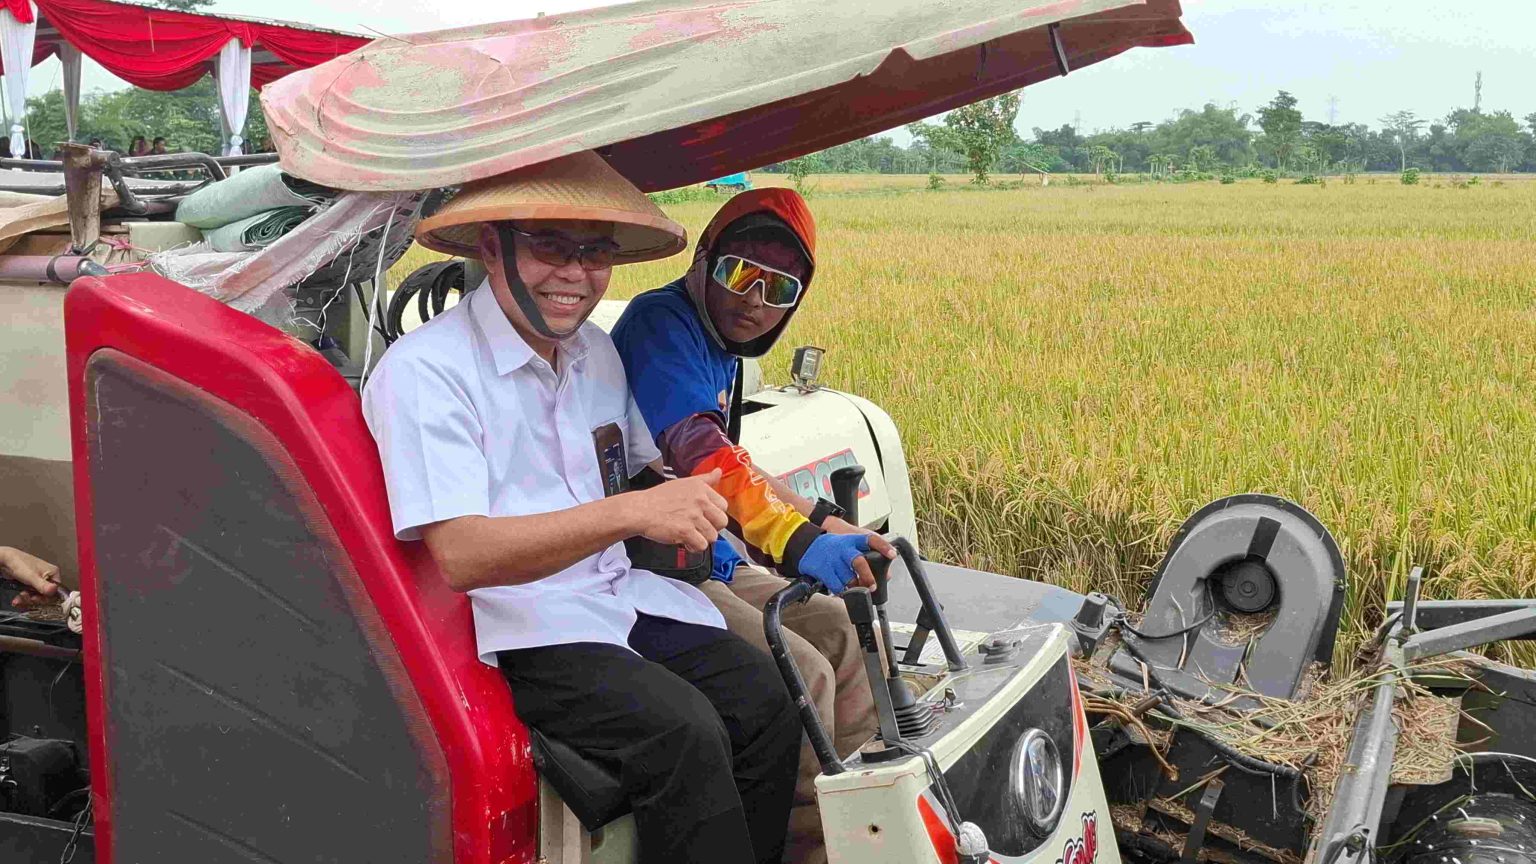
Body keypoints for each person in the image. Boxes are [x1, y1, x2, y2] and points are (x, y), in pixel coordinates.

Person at [362, 151, 800, 864]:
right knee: (683, 732)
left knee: (764, 700)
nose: (574, 273)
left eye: (595, 252)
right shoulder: (425, 372)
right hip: (516, 623)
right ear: (490, 247)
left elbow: (674, 459)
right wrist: (632, 515)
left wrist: (806, 526)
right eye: (549, 244)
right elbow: (463, 555)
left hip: (612, 595)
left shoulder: (596, 352)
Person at [610, 188, 891, 864]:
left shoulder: (719, 347)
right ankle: (804, 849)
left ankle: (865, 821)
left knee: (840, 628)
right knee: (808, 673)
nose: (754, 300)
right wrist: (799, 543)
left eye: (779, 288)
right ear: (703, 259)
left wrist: (818, 517)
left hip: (704, 553)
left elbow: (738, 465)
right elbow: (700, 452)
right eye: (739, 274)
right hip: (640, 565)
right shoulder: (661, 327)